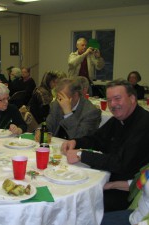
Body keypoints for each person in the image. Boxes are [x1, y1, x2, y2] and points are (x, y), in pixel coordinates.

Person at [61, 79, 149, 212]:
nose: (112, 104)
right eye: (109, 100)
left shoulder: (143, 124)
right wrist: (76, 142)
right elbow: (97, 139)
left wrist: (81, 155)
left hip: (129, 191)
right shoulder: (118, 120)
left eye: (117, 98)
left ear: (132, 98)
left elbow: (120, 163)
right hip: (110, 177)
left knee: (78, 203)